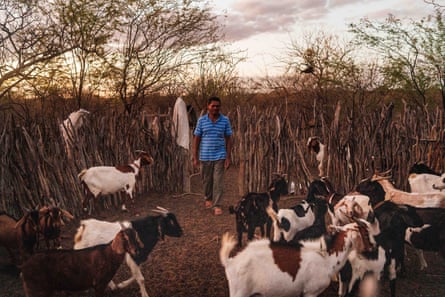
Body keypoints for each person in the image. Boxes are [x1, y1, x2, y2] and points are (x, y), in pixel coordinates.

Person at [193, 96, 233, 215]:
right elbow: (197, 138)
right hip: (205, 156)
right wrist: (195, 156)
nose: (215, 108)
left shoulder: (225, 120)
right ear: (208, 106)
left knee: (218, 181)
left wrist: (228, 157)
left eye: (217, 106)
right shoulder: (202, 121)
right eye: (213, 106)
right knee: (207, 180)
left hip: (220, 155)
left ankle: (217, 205)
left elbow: (228, 139)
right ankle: (208, 198)